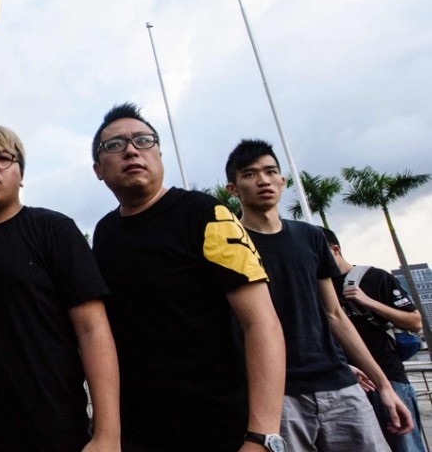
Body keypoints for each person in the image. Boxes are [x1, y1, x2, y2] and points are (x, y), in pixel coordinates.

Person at [89, 103, 286, 452]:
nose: (132, 150)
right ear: (98, 170)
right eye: (115, 145)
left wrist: (262, 435)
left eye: (143, 140)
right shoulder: (104, 233)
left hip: (218, 425)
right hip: (138, 430)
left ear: (159, 155)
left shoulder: (206, 214)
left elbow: (262, 324)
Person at [225, 139, 412, 451]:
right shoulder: (229, 245)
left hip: (339, 386)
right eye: (250, 174)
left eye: (271, 172)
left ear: (283, 181)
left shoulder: (311, 237)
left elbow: (335, 315)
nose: (263, 180)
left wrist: (383, 385)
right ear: (233, 188)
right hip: (275, 394)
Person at [0, 124, 120, 452]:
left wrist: (107, 434)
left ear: (21, 174)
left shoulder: (54, 230)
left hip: (57, 425)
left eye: (3, 158)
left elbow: (92, 329)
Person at [324, 228, 427, 451]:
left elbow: (415, 322)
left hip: (389, 376)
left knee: (404, 442)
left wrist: (368, 302)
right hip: (346, 381)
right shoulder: (319, 289)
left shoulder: (375, 278)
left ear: (335, 250)